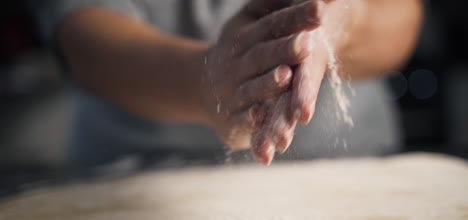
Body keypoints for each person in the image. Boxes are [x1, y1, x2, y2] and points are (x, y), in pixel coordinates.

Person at [30, 0, 422, 166]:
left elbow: (401, 15)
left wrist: (333, 27)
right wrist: (208, 84)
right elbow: (82, 36)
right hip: (130, 173)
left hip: (351, 171)